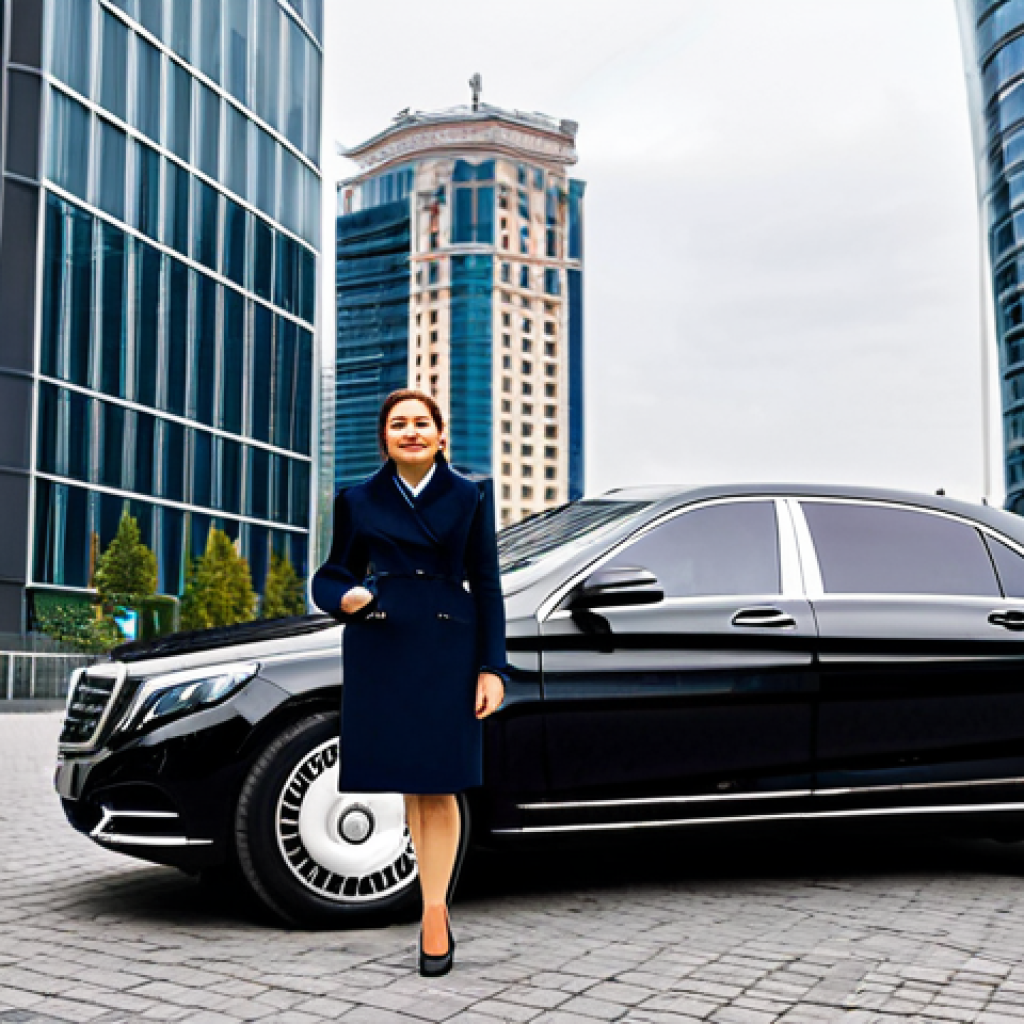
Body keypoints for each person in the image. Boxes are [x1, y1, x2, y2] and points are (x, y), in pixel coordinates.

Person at [311, 389, 507, 977]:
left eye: (422, 423)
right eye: (399, 424)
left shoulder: (470, 495)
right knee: (410, 785)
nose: (412, 431)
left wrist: (492, 667)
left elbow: (489, 583)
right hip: (382, 642)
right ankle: (433, 900)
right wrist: (344, 597)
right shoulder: (357, 499)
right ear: (385, 438)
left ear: (441, 435)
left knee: (440, 784)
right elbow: (331, 573)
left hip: (449, 646)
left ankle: (433, 912)